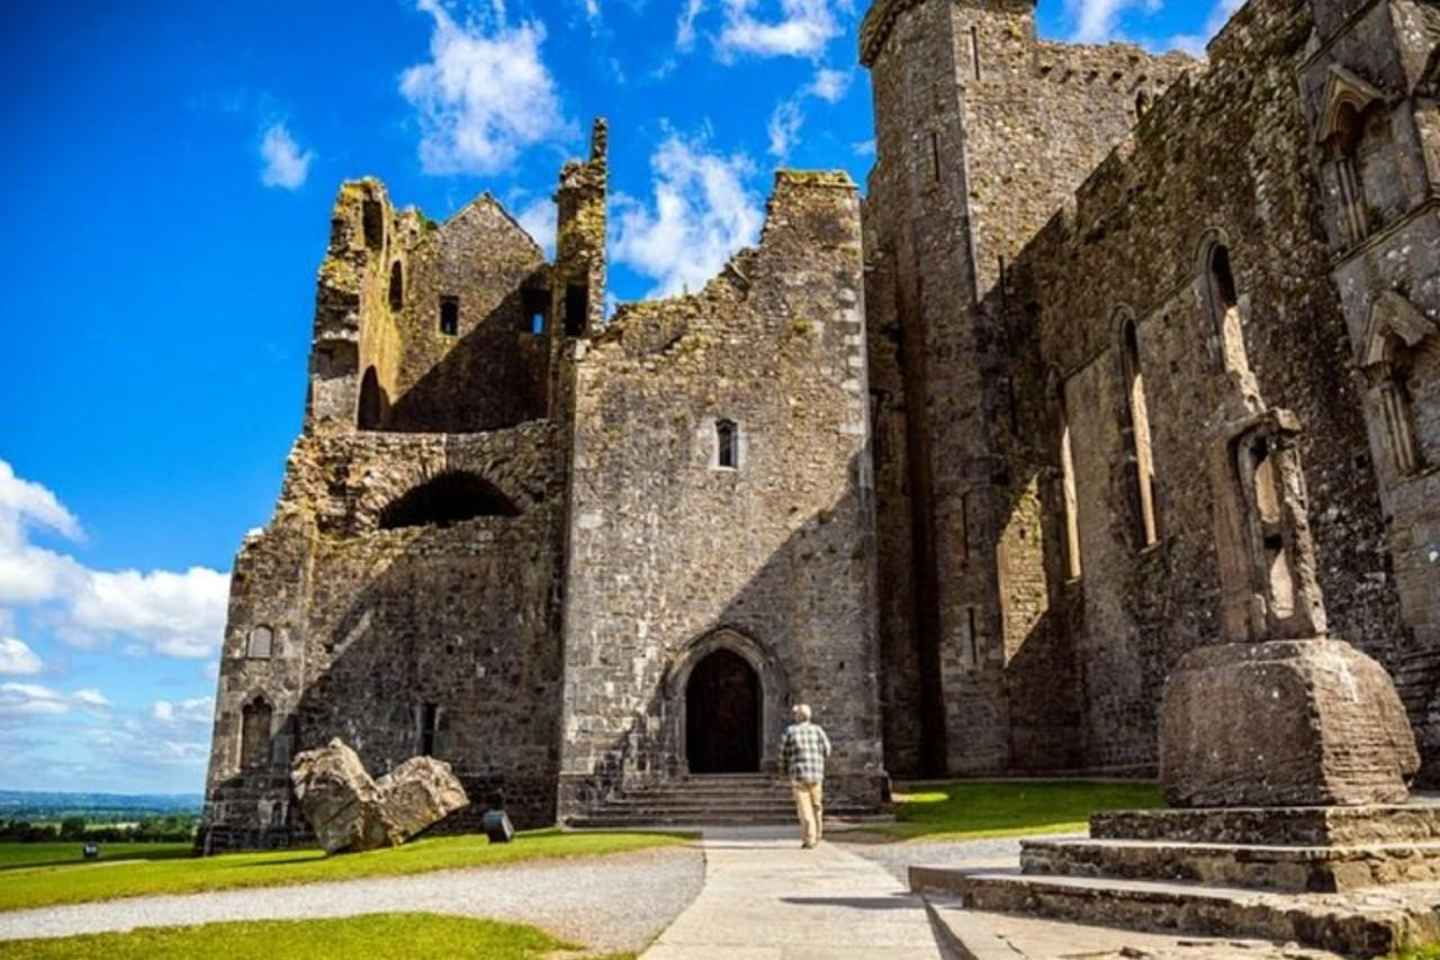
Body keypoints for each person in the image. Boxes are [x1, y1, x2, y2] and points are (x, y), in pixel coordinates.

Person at [780, 703, 831, 849]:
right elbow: (827, 750)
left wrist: (782, 770)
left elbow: (783, 753)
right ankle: (818, 836)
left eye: (795, 714)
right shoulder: (818, 730)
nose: (794, 716)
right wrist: (818, 760)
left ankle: (809, 839)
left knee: (805, 809)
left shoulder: (790, 731)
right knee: (817, 806)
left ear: (798, 716)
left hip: (799, 775)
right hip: (816, 774)